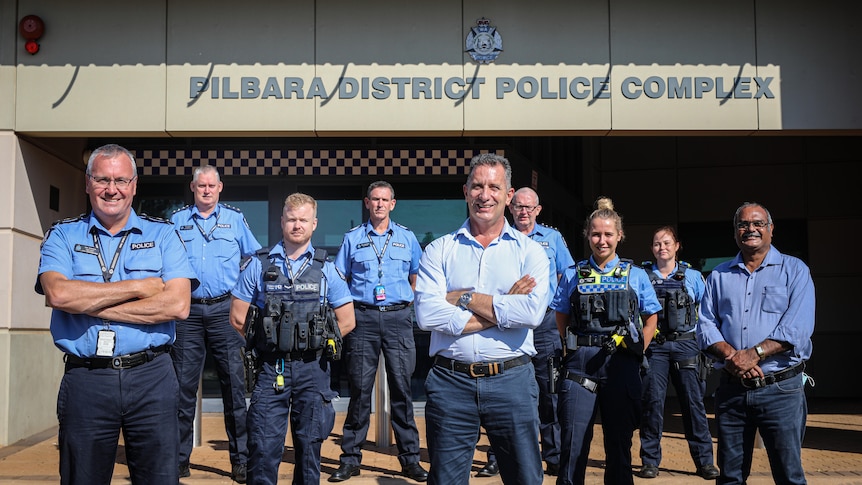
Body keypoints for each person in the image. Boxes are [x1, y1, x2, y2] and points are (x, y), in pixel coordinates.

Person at [36, 143, 197, 484]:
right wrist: (139, 288)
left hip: (152, 377)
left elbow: (177, 305)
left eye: (121, 180)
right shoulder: (62, 235)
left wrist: (91, 304)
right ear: (87, 183)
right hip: (87, 380)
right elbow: (58, 293)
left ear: (134, 185)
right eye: (102, 180)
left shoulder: (164, 235)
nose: (112, 189)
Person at [415, 153, 551, 485]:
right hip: (451, 383)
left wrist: (461, 297)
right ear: (465, 192)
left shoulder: (530, 252)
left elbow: (531, 312)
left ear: (508, 194)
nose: (484, 195)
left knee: (525, 478)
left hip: (512, 381)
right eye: (477, 186)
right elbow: (426, 314)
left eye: (494, 186)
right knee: (446, 480)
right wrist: (504, 309)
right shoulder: (440, 250)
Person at [229, 193, 356, 485]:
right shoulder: (258, 265)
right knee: (262, 447)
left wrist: (316, 340)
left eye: (303, 220)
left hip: (313, 369)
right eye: (291, 219)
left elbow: (347, 320)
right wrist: (270, 342)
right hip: (271, 368)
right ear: (281, 221)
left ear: (314, 224)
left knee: (310, 448)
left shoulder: (328, 269)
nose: (297, 225)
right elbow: (237, 317)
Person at [697, 202, 815, 485]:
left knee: (789, 476)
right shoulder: (719, 276)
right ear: (735, 232)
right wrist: (734, 358)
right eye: (743, 224)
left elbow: (797, 328)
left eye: (758, 223)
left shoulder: (794, 270)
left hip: (781, 390)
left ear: (771, 229)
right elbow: (705, 325)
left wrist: (754, 354)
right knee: (730, 477)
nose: (750, 229)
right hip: (732, 390)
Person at [551, 196, 661, 485]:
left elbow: (651, 319)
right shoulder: (573, 275)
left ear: (620, 236)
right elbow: (561, 314)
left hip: (621, 364)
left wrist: (639, 350)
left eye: (608, 234)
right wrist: (570, 345)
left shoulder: (636, 276)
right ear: (587, 235)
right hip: (579, 365)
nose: (602, 240)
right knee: (572, 446)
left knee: (619, 446)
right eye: (596, 234)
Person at [330, 181, 428, 482]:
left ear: (393, 204)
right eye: (375, 199)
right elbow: (339, 279)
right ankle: (350, 459)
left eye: (385, 200)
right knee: (359, 391)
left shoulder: (407, 238)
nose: (380, 204)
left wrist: (402, 301)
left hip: (398, 319)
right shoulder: (352, 239)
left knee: (402, 389)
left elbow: (416, 276)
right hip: (363, 319)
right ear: (366, 202)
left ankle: (410, 460)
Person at [170, 165, 262, 482]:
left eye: (212, 185)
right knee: (182, 391)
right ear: (193, 188)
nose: (206, 190)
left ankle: (240, 460)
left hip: (225, 311)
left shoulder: (235, 219)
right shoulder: (177, 220)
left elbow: (254, 258)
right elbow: (164, 261)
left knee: (235, 390)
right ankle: (178, 459)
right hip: (188, 313)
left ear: (220, 188)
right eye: (201, 185)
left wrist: (243, 295)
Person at [477, 187, 574, 478]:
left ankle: (553, 455)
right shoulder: (497, 239)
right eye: (518, 206)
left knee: (548, 392)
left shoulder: (552, 239)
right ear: (510, 207)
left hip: (543, 325)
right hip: (506, 324)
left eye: (529, 208)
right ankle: (497, 456)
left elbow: (565, 276)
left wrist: (558, 311)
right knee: (503, 391)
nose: (523, 212)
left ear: (538, 210)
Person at [637, 226, 718, 480]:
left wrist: (708, 348)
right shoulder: (642, 275)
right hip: (656, 347)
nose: (662, 247)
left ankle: (705, 462)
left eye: (667, 242)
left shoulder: (693, 277)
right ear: (652, 248)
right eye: (657, 243)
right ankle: (650, 461)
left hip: (686, 346)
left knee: (693, 406)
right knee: (652, 404)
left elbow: (707, 314)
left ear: (677, 246)